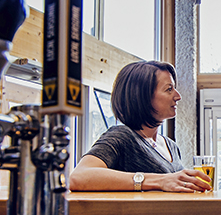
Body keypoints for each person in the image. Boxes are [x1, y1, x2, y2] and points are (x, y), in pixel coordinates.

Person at [69, 61, 212, 192]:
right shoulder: (122, 136)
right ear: (143, 96)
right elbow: (78, 177)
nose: (178, 96)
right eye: (169, 89)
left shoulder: (171, 146)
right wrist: (158, 181)